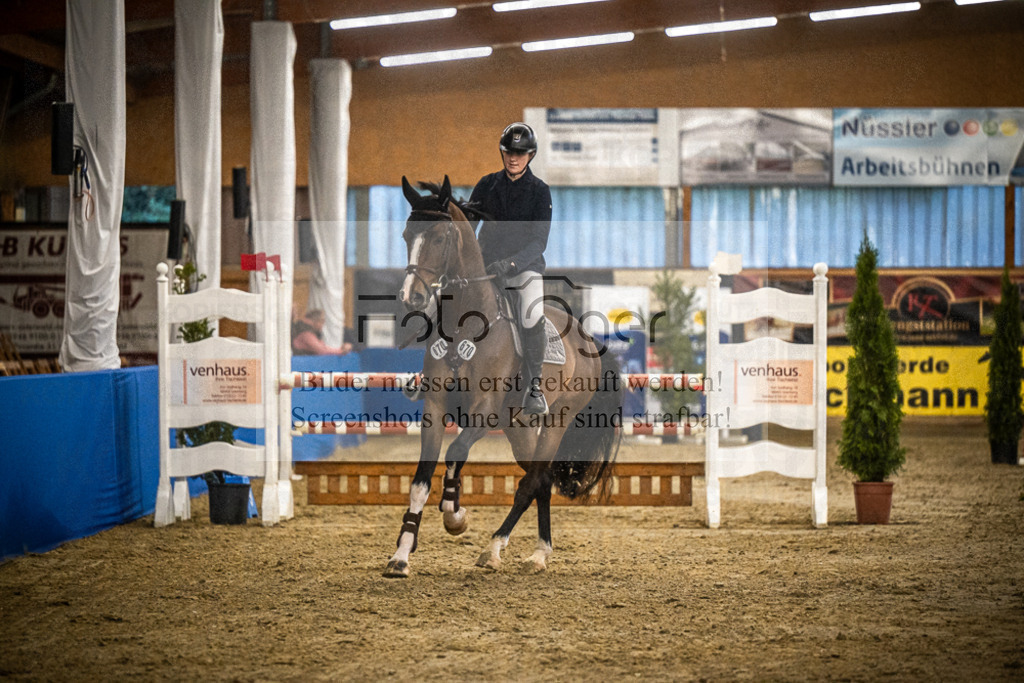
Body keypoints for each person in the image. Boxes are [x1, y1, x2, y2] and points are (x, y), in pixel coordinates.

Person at [469, 122, 552, 415]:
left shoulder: (540, 192)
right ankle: (428, 373)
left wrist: (512, 263)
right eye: (508, 152)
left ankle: (534, 387)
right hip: (486, 268)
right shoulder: (486, 185)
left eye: (520, 153)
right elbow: (468, 226)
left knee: (532, 313)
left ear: (530, 155)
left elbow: (538, 242)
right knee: (448, 300)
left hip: (523, 269)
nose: (513, 158)